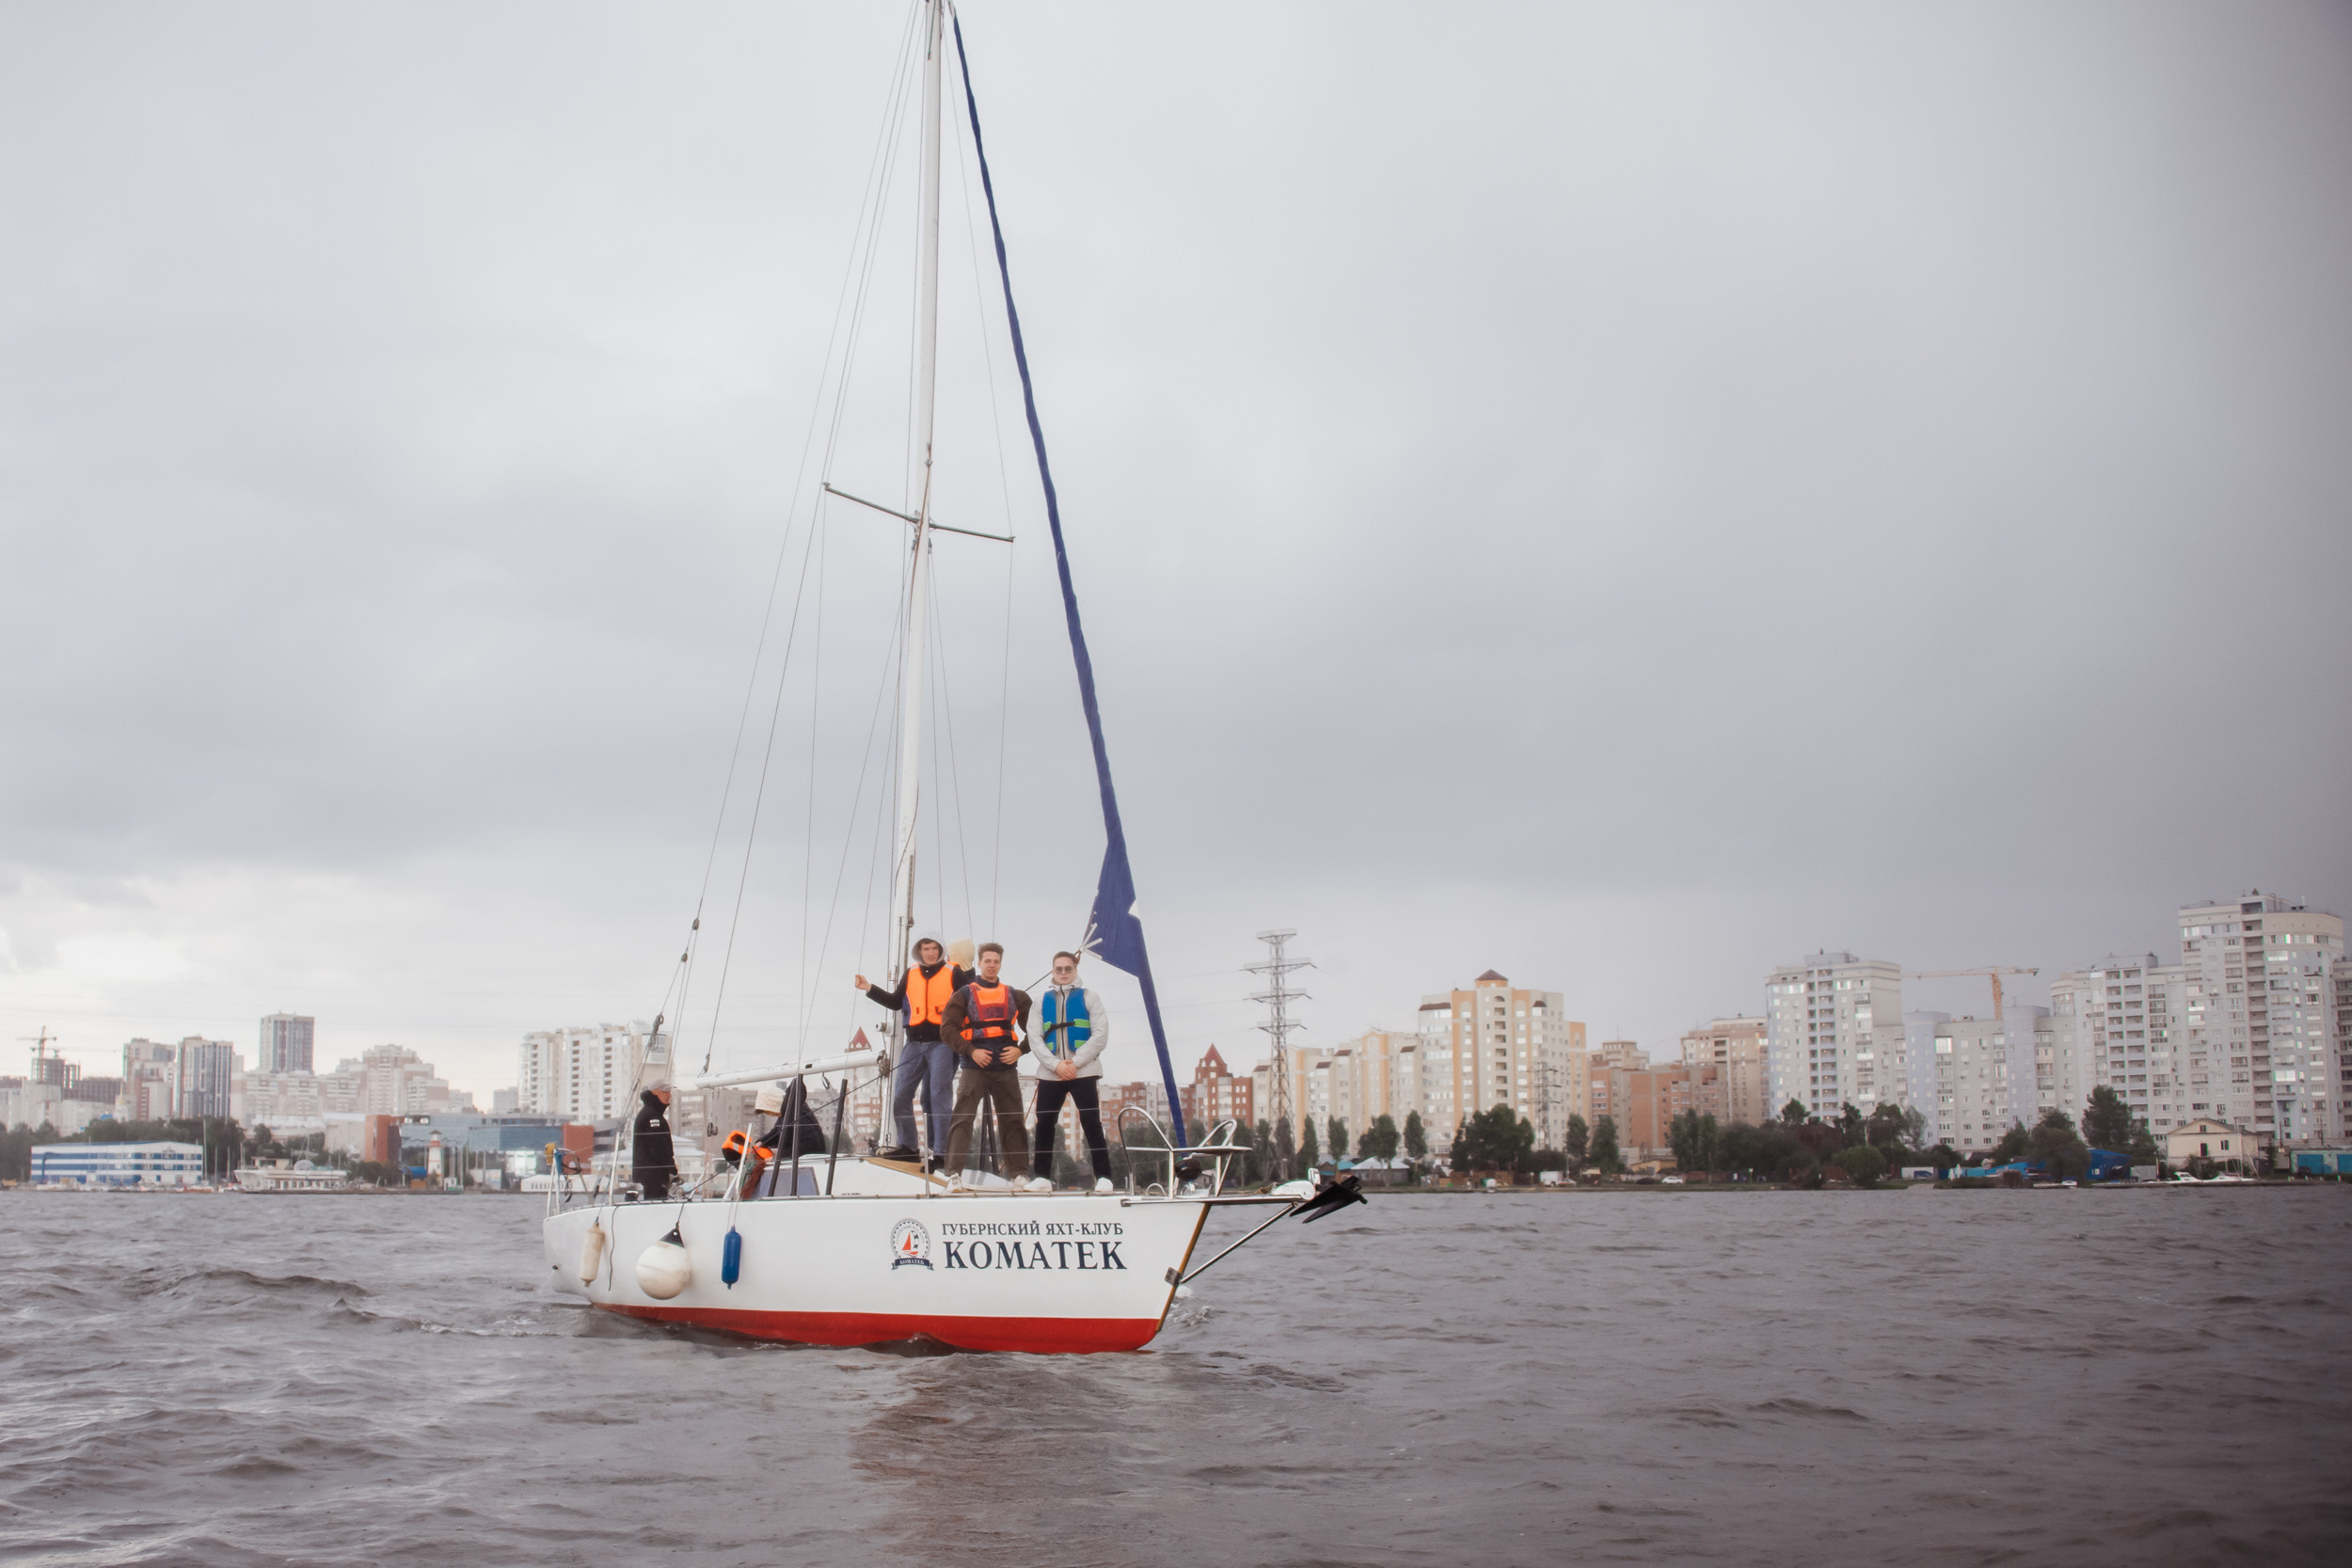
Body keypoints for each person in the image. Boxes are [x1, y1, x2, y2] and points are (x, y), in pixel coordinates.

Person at [856, 933, 973, 1166]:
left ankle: (941, 1153)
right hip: (913, 1043)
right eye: (925, 948)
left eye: (934, 948)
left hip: (942, 1042)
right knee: (900, 1094)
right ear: (919, 951)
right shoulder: (910, 974)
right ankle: (908, 1146)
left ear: (940, 950)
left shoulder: (954, 972)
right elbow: (896, 1002)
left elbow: (972, 1001)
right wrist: (869, 988)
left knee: (939, 1095)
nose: (930, 952)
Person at [940, 942, 1031, 1185]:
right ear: (979, 963)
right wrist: (971, 1051)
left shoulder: (1015, 995)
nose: (992, 965)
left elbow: (1039, 1030)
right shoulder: (964, 994)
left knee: (1012, 1119)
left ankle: (1020, 1175)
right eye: (987, 961)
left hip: (1006, 1067)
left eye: (996, 961)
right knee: (963, 1118)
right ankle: (953, 1175)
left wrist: (1020, 1051)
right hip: (974, 1067)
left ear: (1000, 964)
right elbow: (947, 1029)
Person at [1027, 950, 1114, 1193]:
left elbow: (1100, 1035)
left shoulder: (1091, 997)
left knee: (1091, 1122)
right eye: (1059, 969)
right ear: (1052, 971)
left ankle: (1104, 1176)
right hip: (1050, 1071)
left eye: (1068, 968)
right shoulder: (1040, 1001)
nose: (1063, 973)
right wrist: (1056, 1065)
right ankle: (1042, 1177)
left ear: (1075, 970)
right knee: (1044, 1122)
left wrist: (1075, 1063)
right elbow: (1034, 1038)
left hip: (1083, 1070)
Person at [630, 1082, 675, 1201]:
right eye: (666, 1092)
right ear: (656, 1093)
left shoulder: (651, 1113)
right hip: (654, 1173)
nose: (669, 1095)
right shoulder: (652, 1116)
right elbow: (658, 1147)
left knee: (655, 1205)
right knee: (655, 1205)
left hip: (653, 1172)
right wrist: (672, 1170)